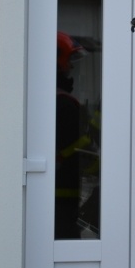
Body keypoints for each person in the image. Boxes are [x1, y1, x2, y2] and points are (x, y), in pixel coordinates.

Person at [54, 31, 89, 239]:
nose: (72, 67)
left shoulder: (49, 98)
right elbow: (80, 148)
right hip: (63, 192)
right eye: (69, 60)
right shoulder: (64, 103)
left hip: (59, 191)